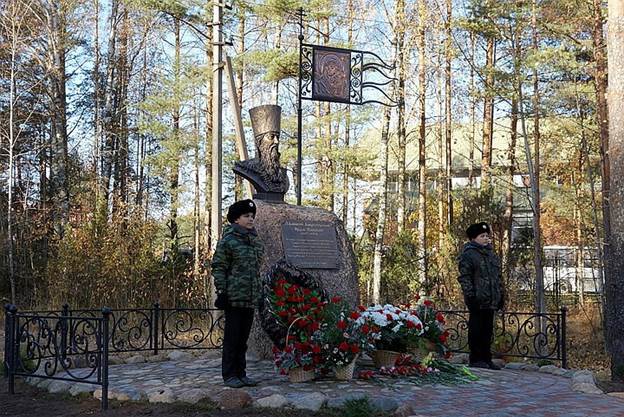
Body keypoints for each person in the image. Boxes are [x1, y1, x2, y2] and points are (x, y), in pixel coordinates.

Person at [211, 199, 264, 388]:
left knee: (243, 340)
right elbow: (219, 267)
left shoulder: (254, 241)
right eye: (246, 216)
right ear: (236, 219)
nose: (250, 219)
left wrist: (259, 293)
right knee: (232, 339)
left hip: (249, 298)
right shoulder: (228, 241)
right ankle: (230, 375)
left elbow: (256, 270)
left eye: (252, 216)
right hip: (234, 297)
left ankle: (241, 374)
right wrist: (222, 292)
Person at [457, 222, 505, 370]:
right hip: (477, 299)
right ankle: (476, 358)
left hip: (491, 299)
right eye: (482, 236)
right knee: (476, 329)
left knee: (487, 330)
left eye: (487, 236)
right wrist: (470, 296)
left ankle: (486, 358)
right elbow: (465, 277)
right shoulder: (468, 255)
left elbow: (498, 277)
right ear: (473, 238)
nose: (486, 238)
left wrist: (501, 295)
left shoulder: (491, 255)